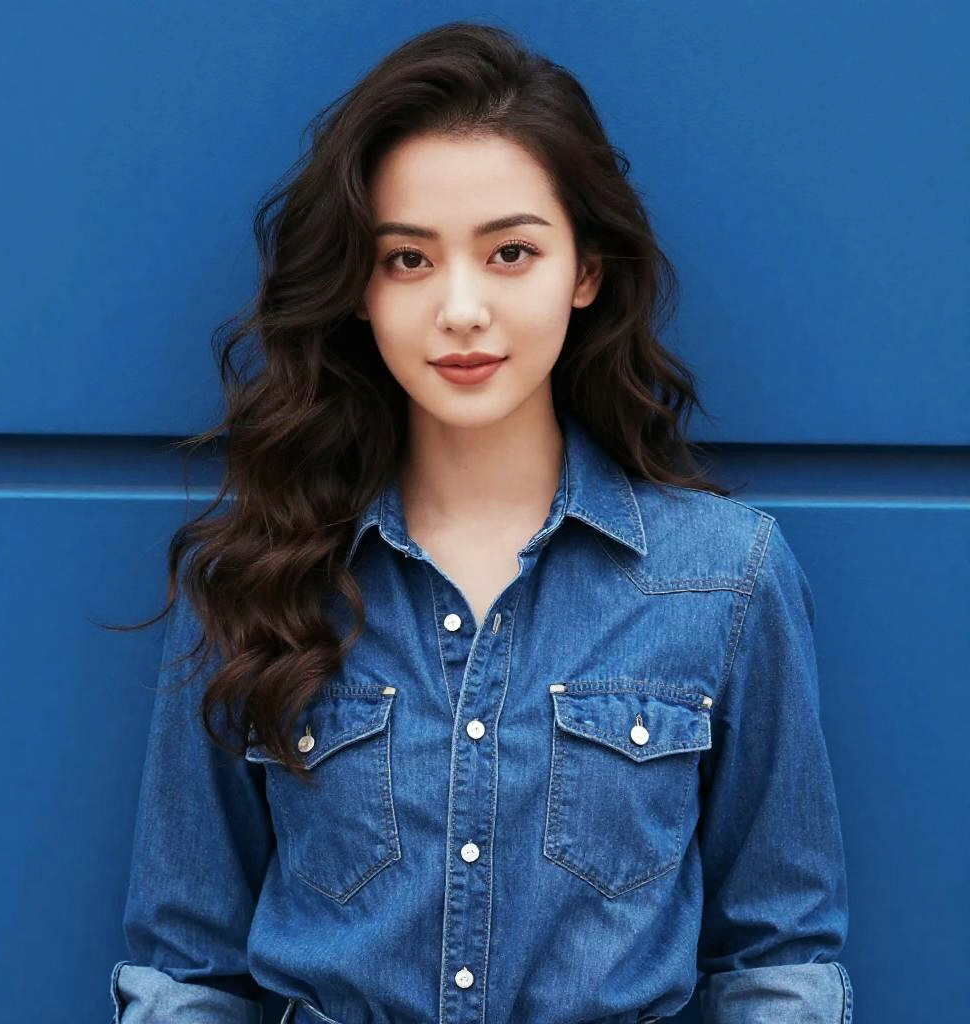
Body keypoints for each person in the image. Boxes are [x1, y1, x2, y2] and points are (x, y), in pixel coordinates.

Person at [108, 20, 853, 1024]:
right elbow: (185, 971)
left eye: (509, 252)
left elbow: (779, 956)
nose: (461, 308)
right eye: (408, 260)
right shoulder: (259, 576)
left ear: (584, 271)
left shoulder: (724, 580)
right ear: (359, 291)